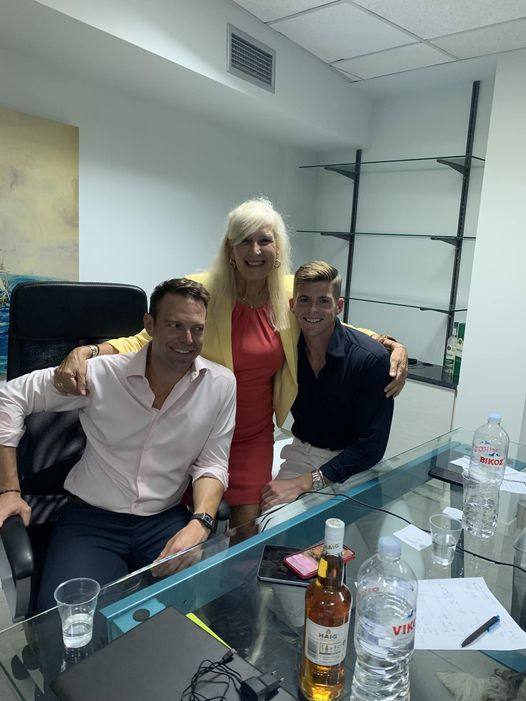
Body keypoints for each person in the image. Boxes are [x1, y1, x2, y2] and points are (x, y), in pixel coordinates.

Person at [53, 199, 408, 526]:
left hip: (253, 435)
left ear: (278, 249)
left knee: (250, 528)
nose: (255, 250)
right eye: (244, 241)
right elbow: (147, 338)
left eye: (265, 241)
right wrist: (90, 352)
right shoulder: (201, 290)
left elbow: (327, 321)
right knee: (182, 524)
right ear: (230, 249)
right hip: (194, 427)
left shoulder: (289, 292)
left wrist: (387, 344)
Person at [0, 278, 236, 611]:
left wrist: (201, 523)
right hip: (91, 522)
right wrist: (9, 490)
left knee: (188, 618)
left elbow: (212, 463)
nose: (187, 340)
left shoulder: (220, 385)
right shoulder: (100, 374)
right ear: (150, 325)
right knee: (66, 624)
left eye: (197, 329)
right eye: (175, 325)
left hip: (163, 519)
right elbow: (9, 396)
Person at [261, 261, 394, 512]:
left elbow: (372, 447)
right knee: (272, 522)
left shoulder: (370, 359)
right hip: (304, 454)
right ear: (292, 305)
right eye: (304, 300)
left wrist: (308, 482)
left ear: (338, 306)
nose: (313, 309)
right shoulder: (285, 351)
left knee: (378, 533)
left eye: (323, 301)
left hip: (356, 463)